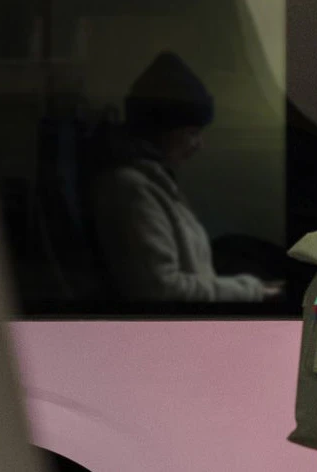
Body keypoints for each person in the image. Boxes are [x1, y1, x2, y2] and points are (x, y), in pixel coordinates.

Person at [90, 52, 282, 303]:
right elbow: (161, 288)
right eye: (192, 133)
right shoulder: (130, 190)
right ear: (161, 130)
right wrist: (253, 291)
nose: (199, 145)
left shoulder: (155, 184)